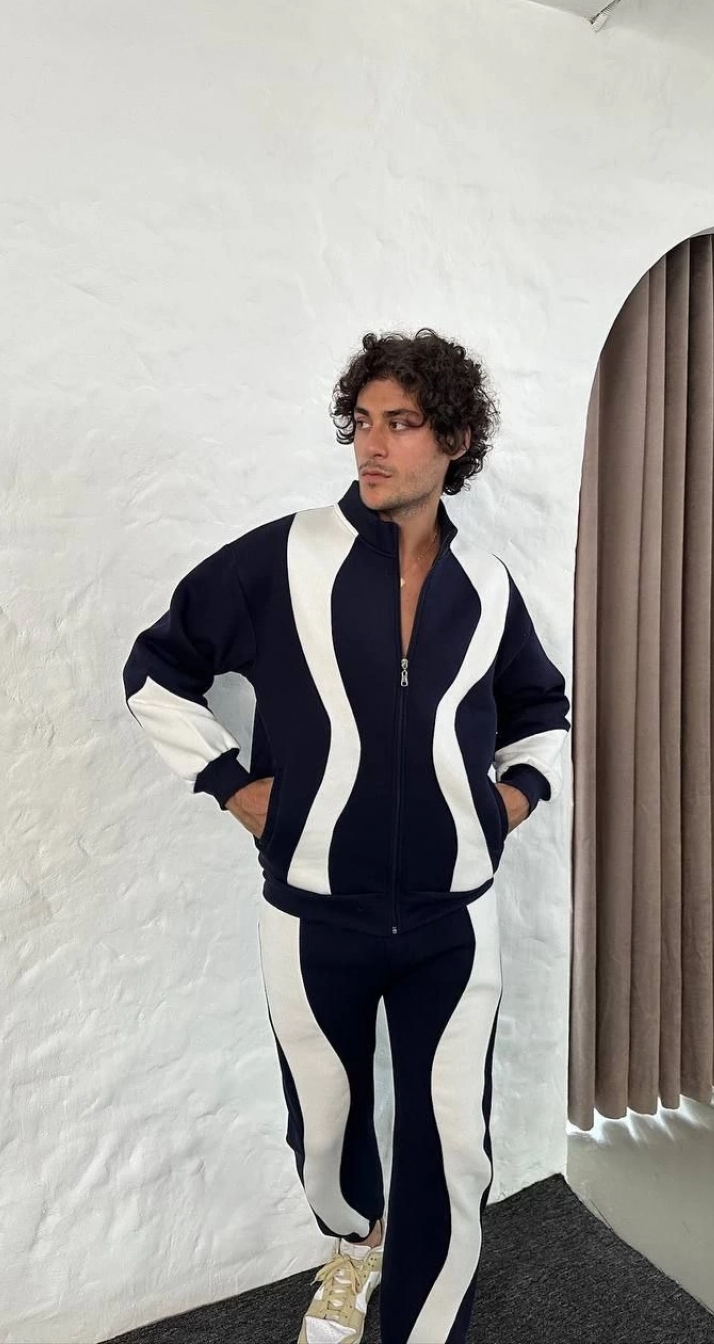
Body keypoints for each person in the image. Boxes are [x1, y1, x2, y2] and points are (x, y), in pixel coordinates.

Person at [122, 328, 571, 1344]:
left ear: (454, 440)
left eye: (401, 424)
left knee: (454, 1152)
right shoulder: (282, 559)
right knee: (324, 1137)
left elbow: (541, 707)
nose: (372, 445)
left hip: (452, 924)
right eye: (362, 422)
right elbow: (156, 671)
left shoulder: (488, 587)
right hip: (312, 915)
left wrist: (510, 801)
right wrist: (235, 788)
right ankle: (352, 1241)